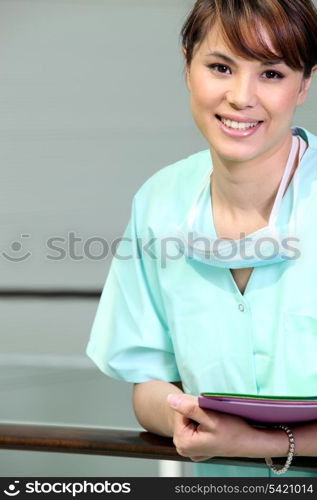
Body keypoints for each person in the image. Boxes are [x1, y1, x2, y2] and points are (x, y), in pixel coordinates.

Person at [86, 0, 317, 477]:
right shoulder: (159, 202)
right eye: (220, 67)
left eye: (271, 74)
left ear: (305, 83)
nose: (240, 96)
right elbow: (149, 381)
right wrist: (189, 418)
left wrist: (258, 441)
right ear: (187, 67)